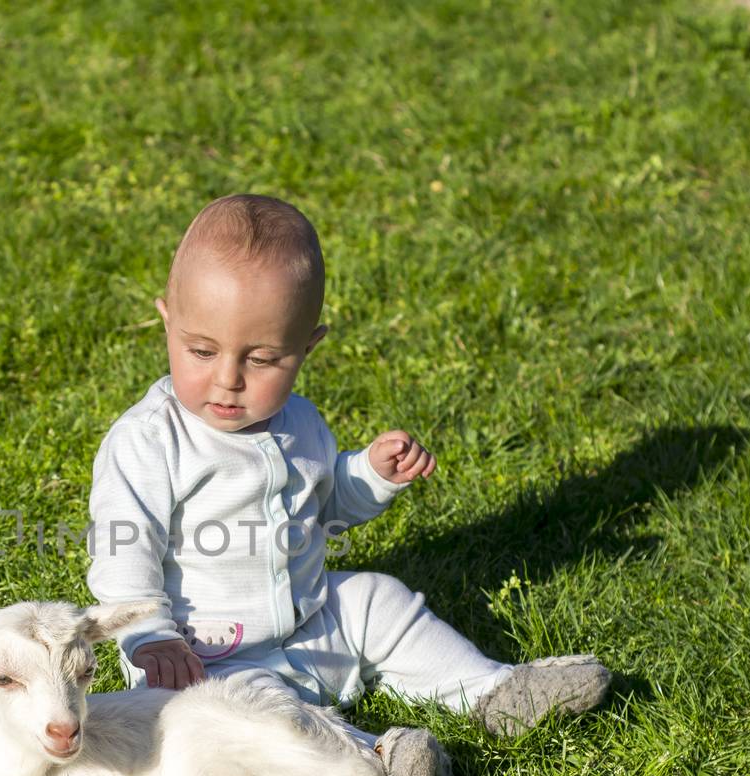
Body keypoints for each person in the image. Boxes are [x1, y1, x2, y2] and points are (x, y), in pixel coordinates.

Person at [86, 194, 609, 738]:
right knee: (252, 716)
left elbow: (324, 504)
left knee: (377, 598)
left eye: (261, 359)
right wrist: (150, 635)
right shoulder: (150, 440)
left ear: (307, 348)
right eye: (201, 351)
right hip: (204, 656)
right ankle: (373, 759)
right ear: (167, 322)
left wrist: (369, 476)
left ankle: (490, 691)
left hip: (313, 623)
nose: (229, 378)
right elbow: (124, 545)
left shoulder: (301, 423)